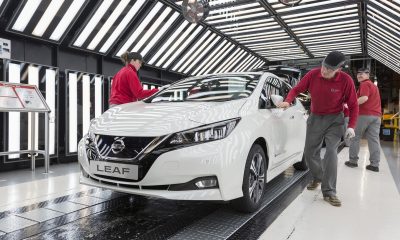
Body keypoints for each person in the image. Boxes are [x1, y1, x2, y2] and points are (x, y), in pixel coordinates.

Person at [277, 51, 359, 207]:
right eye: (324, 66)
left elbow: (354, 105)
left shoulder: (346, 81)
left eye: (329, 69)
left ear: (339, 69)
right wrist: (288, 101)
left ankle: (329, 192)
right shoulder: (313, 74)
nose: (324, 70)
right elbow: (296, 90)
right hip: (315, 118)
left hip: (335, 120)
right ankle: (317, 176)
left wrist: (351, 126)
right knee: (309, 152)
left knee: (330, 153)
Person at [345, 68, 382, 172]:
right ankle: (375, 165)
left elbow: (364, 98)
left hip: (364, 115)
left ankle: (353, 161)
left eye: (363, 74)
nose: (360, 75)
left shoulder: (365, 84)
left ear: (368, 75)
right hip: (376, 116)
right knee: (374, 140)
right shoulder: (375, 87)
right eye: (358, 74)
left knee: (355, 137)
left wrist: (350, 105)